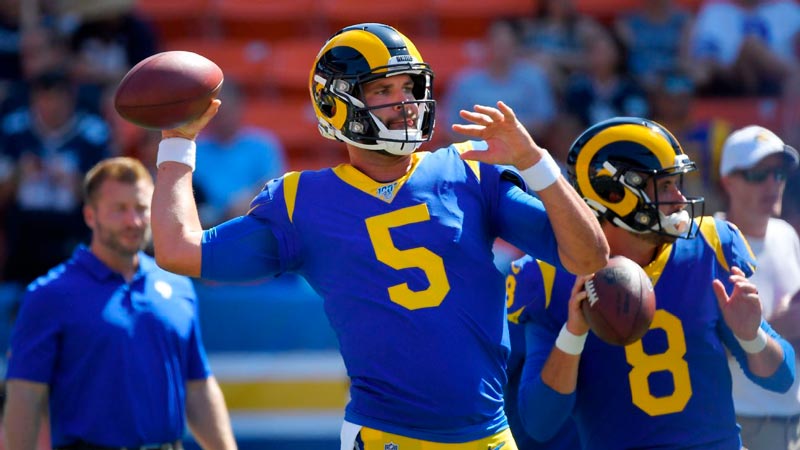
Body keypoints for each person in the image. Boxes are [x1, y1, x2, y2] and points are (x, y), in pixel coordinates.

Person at [148, 22, 609, 449]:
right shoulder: (301, 201)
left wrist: (537, 164)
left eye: (409, 87)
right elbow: (179, 251)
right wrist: (177, 141)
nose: (406, 102)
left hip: (490, 436)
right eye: (384, 90)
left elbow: (589, 257)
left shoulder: (468, 169)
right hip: (386, 436)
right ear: (336, 104)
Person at [507, 117, 796, 449]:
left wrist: (752, 335)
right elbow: (539, 423)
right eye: (663, 187)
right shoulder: (547, 274)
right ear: (614, 194)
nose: (678, 199)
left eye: (677, 183)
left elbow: (781, 379)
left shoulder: (712, 245)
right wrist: (573, 334)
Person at [2, 157, 237, 450]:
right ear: (90, 216)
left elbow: (198, 387)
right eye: (119, 210)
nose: (133, 221)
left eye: (141, 208)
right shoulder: (50, 295)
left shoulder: (179, 288)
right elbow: (25, 396)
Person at [718, 125, 800, 450]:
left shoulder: (786, 235)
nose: (772, 184)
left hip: (791, 420)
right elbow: (695, 342)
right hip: (740, 423)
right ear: (728, 181)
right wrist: (782, 326)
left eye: (778, 173)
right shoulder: (708, 241)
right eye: (758, 175)